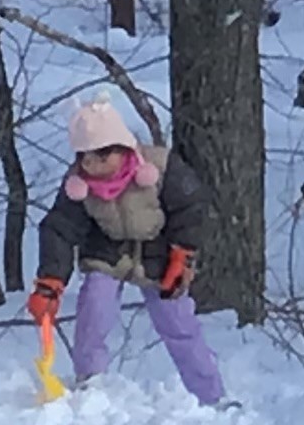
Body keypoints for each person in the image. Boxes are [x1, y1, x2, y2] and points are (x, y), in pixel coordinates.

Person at [24, 96, 226, 405]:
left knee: (179, 325)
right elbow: (60, 229)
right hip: (107, 251)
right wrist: (50, 281)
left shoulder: (160, 166)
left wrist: (182, 255)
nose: (92, 165)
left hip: (159, 253)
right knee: (94, 312)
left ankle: (212, 396)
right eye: (84, 157)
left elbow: (191, 208)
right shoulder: (78, 184)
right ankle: (91, 388)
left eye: (101, 156)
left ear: (122, 147)